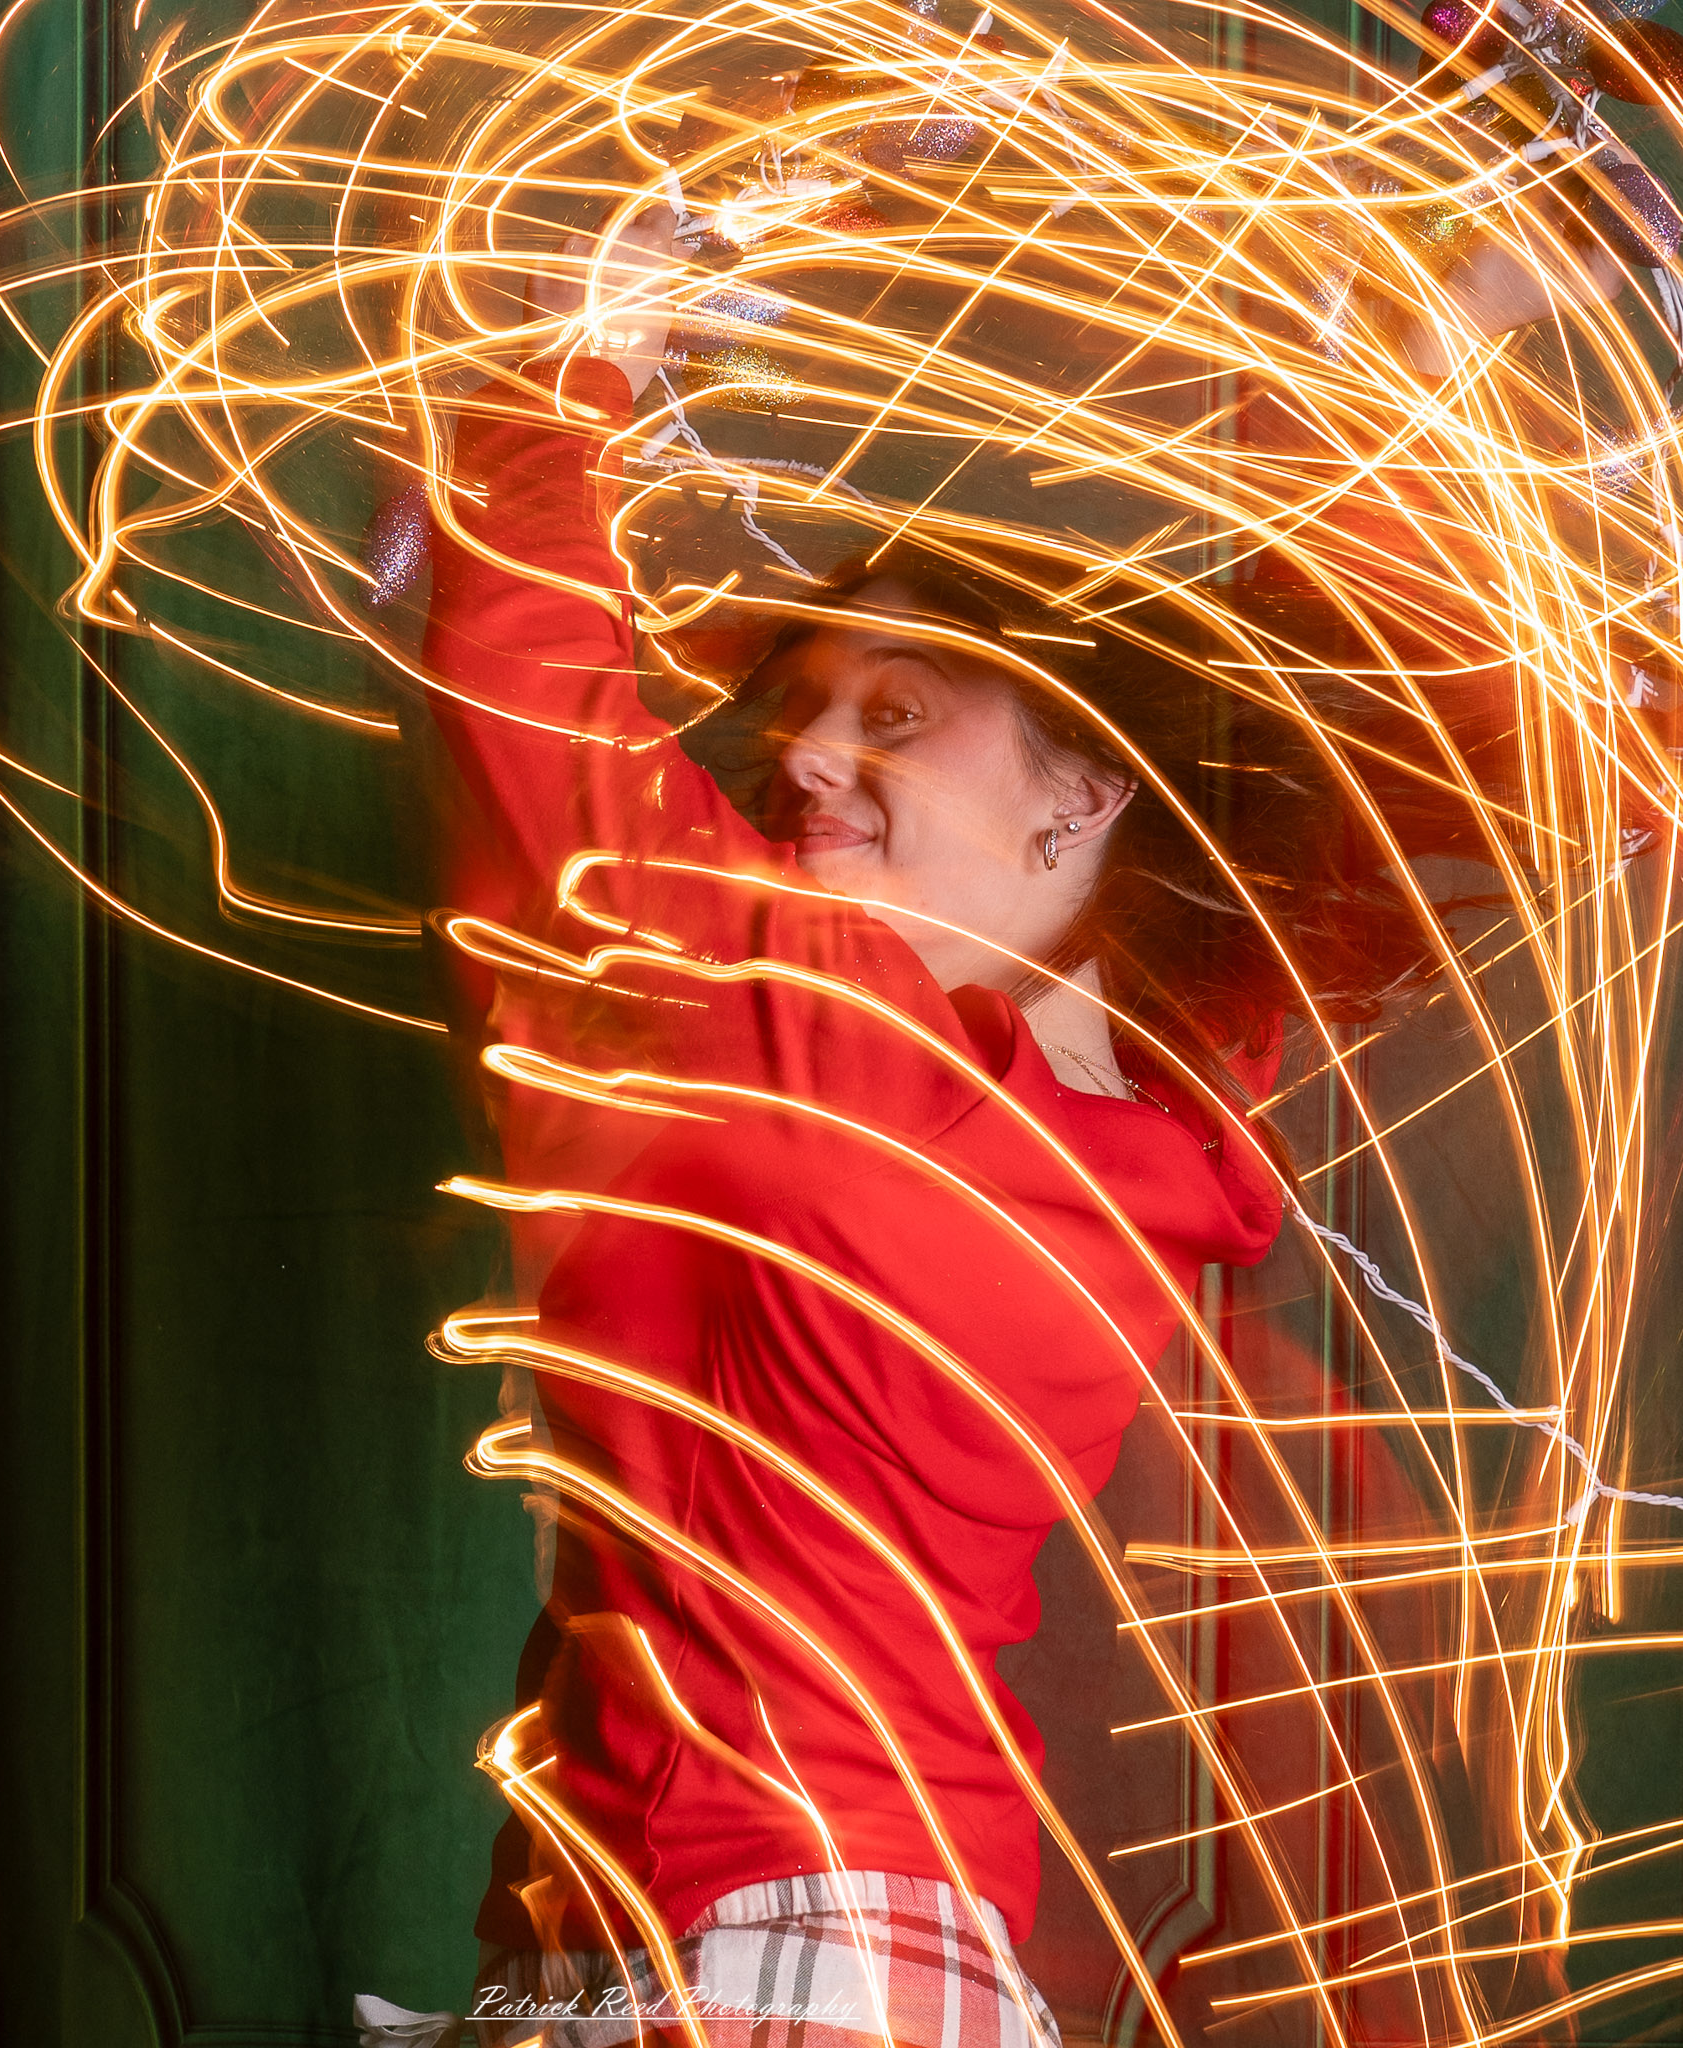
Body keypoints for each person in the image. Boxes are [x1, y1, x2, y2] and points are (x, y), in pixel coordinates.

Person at [409, 190, 1621, 2048]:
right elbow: (1366, 720)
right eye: (807, 709)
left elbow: (529, 701)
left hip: (743, 1948)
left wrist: (578, 359)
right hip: (870, 1940)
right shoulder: (1167, 1112)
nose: (807, 754)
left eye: (901, 713)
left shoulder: (829, 1054)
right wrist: (1446, 332)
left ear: (1087, 800)